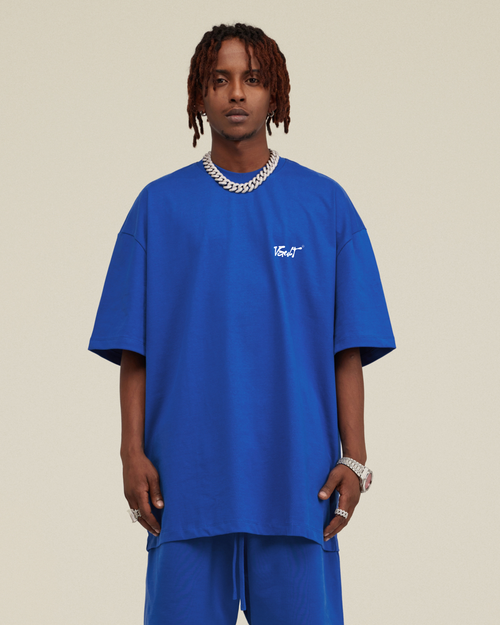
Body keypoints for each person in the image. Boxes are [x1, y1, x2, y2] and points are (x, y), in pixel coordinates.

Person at [88, 22, 396, 625]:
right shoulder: (158, 207)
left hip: (298, 484)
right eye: (220, 79)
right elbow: (133, 349)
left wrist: (355, 457)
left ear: (274, 93)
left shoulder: (325, 204)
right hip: (186, 486)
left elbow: (348, 347)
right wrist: (130, 452)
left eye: (252, 80)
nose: (236, 93)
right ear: (198, 94)